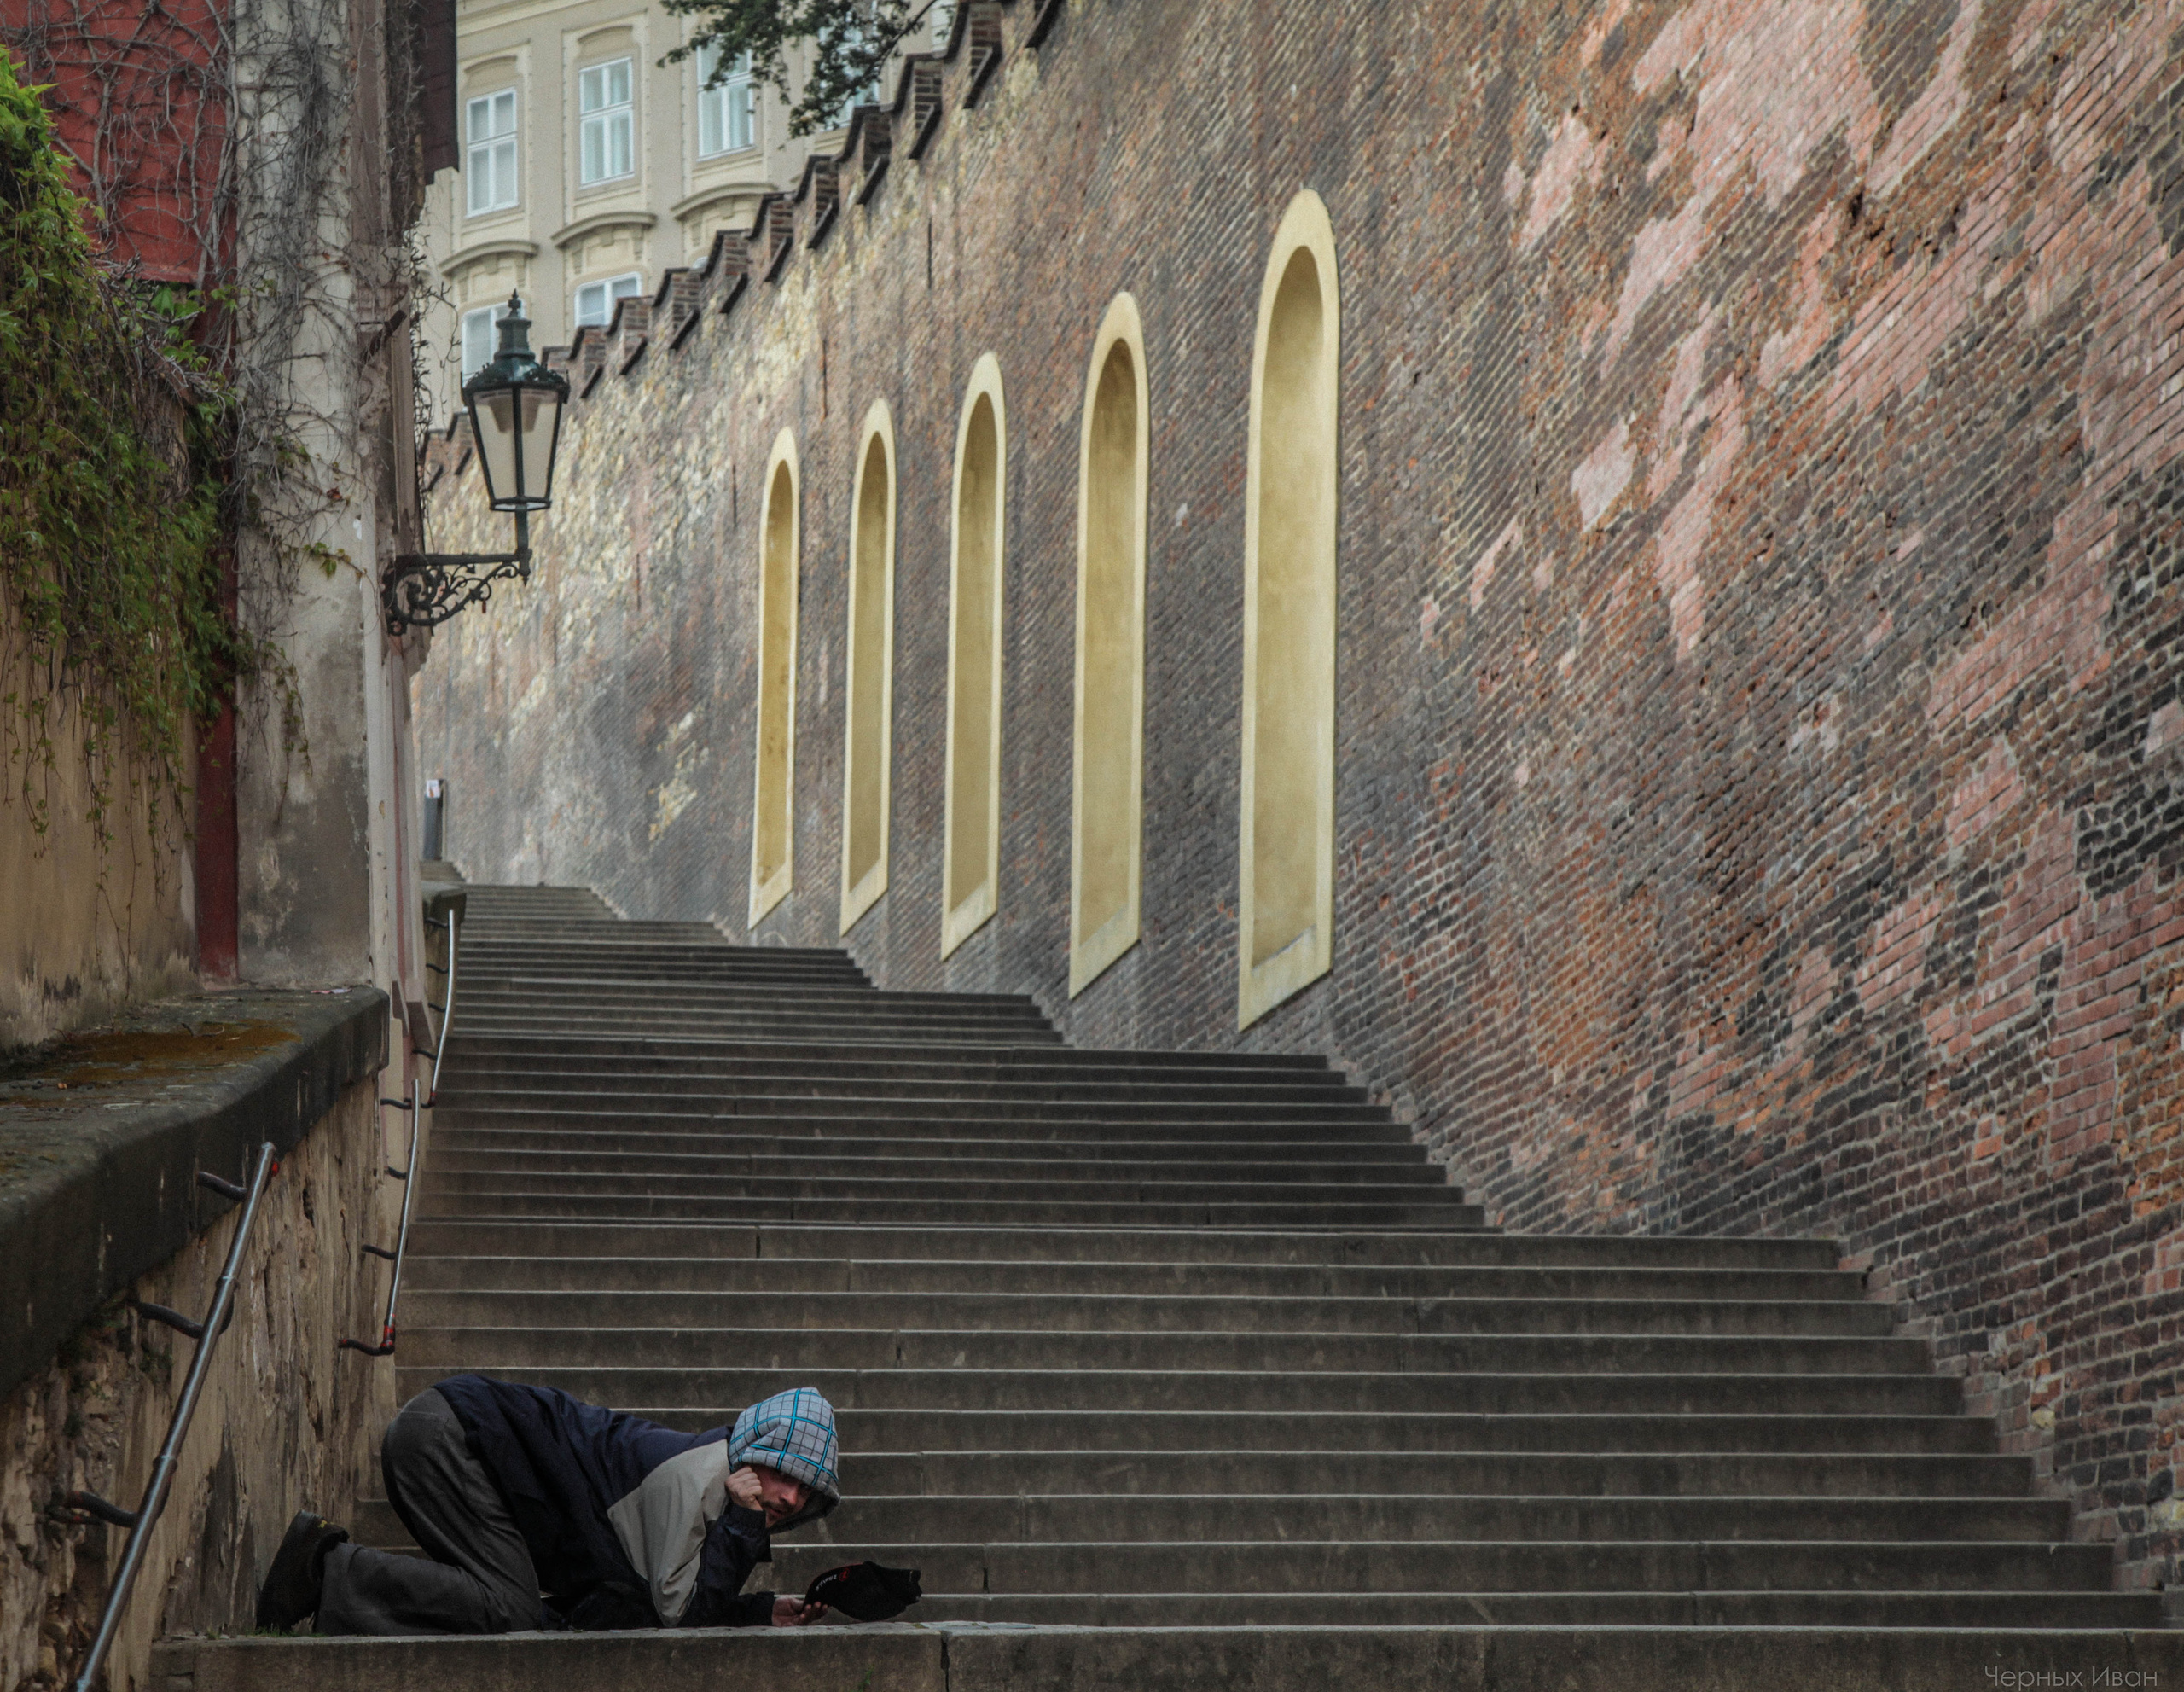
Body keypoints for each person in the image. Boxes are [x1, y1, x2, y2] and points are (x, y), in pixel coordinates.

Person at [256, 1375, 840, 1634]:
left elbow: (632, 1605)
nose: (790, 1495)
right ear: (749, 1449)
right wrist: (741, 1527)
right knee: (509, 1608)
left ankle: (328, 1573)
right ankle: (323, 1569)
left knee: (516, 1608)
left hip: (453, 1435)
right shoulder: (700, 1480)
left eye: (806, 1489)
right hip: (447, 1439)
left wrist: (760, 1609)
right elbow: (680, 1618)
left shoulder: (715, 1484)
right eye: (782, 1471)